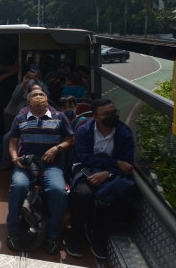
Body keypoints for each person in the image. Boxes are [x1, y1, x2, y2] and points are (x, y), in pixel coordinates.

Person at [7, 89, 74, 254]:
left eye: (41, 95)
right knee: (18, 186)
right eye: (34, 96)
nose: (38, 98)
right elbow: (12, 144)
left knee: (59, 191)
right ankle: (13, 231)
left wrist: (55, 149)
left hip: (50, 165)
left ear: (47, 100)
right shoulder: (20, 119)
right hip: (26, 163)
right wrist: (15, 159)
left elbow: (70, 140)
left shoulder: (59, 117)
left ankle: (53, 234)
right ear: (28, 103)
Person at [66, 99, 135, 260]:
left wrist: (108, 173)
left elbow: (127, 164)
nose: (112, 116)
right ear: (96, 117)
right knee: (83, 194)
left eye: (114, 113)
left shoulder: (124, 133)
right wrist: (115, 162)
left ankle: (99, 235)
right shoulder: (84, 131)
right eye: (106, 114)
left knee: (126, 198)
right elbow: (84, 157)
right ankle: (75, 236)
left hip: (111, 173)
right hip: (85, 169)